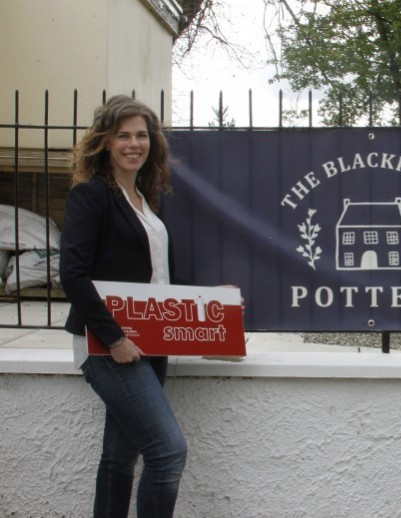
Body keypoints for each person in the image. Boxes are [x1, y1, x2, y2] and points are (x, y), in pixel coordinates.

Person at [60, 95, 187, 517]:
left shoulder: (146, 201)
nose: (134, 143)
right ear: (105, 142)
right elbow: (73, 275)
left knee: (119, 459)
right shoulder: (91, 196)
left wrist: (211, 301)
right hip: (109, 347)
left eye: (142, 135)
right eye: (123, 135)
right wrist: (114, 338)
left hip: (149, 344)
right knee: (168, 451)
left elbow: (156, 280)